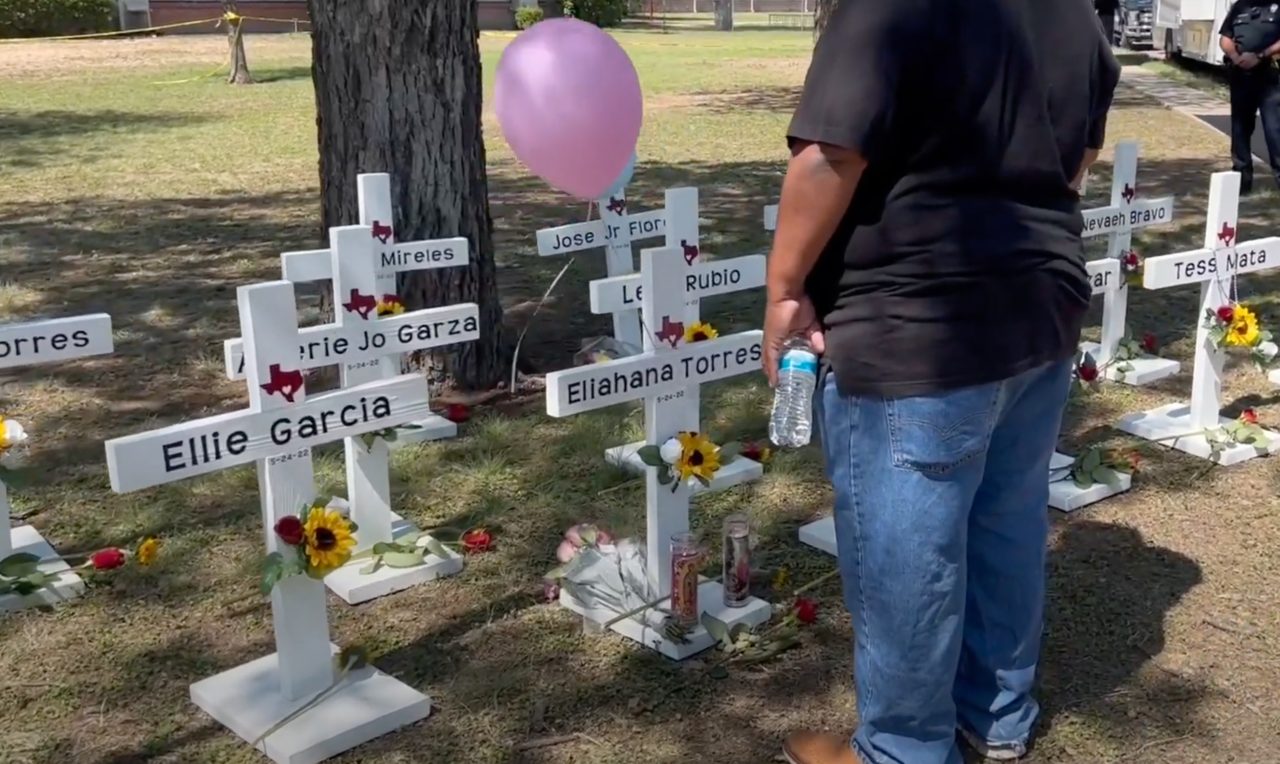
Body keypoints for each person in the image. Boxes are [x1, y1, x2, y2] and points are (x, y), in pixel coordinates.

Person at [763, 1, 1118, 762]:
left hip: (918, 324)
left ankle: (902, 749)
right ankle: (998, 718)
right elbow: (1078, 160)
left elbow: (833, 153)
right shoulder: (1078, 14)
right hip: (1037, 309)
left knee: (909, 555)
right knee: (1007, 524)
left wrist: (786, 291)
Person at [1220, 0, 1280, 194]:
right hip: (1241, 76)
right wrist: (1237, 58)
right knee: (1240, 132)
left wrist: (1261, 55)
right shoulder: (1240, 6)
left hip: (1272, 77)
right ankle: (1241, 183)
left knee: (1275, 131)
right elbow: (1225, 38)